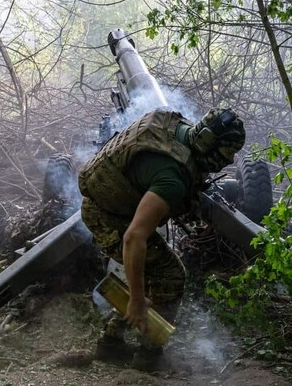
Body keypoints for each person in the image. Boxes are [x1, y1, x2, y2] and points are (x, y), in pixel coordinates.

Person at [78, 107, 245, 370]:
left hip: (116, 205)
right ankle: (148, 354)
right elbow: (134, 238)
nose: (231, 160)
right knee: (170, 275)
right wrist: (135, 299)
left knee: (149, 270)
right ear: (208, 143)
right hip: (107, 217)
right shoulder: (171, 180)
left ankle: (111, 342)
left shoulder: (176, 125)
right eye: (228, 152)